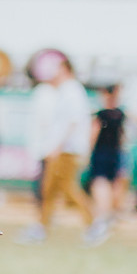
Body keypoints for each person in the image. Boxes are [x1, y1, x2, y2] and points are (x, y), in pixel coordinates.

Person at [18, 52, 91, 243]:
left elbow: (72, 122)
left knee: (66, 189)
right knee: (50, 189)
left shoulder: (71, 91)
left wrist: (56, 146)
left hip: (66, 149)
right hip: (62, 148)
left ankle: (92, 224)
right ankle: (41, 227)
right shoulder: (65, 90)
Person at [83, 82, 125, 246]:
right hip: (115, 154)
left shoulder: (100, 115)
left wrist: (87, 153)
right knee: (111, 185)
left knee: (99, 185)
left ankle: (102, 217)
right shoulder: (120, 114)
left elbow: (93, 135)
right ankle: (107, 216)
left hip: (101, 153)